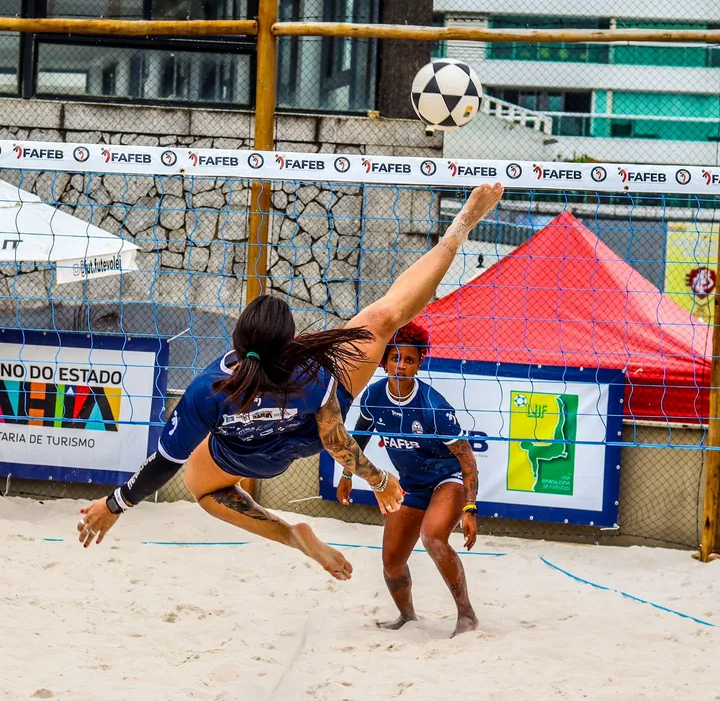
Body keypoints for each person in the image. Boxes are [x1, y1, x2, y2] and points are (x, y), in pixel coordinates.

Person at [77, 183, 504, 583]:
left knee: (198, 484)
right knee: (384, 318)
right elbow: (335, 439)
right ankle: (460, 226)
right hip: (304, 438)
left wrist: (113, 505)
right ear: (289, 342)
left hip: (242, 458)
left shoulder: (209, 388)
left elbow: (162, 464)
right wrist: (379, 480)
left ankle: (288, 533)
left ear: (239, 341)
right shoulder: (313, 372)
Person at [336, 321, 480, 636]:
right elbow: (359, 438)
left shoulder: (433, 406)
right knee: (391, 559)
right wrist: (348, 474)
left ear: (418, 364)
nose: (401, 365)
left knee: (432, 537)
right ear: (385, 360)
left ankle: (466, 615)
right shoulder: (374, 395)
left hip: (448, 479)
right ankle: (407, 616)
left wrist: (469, 508)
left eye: (410, 360)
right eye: (395, 358)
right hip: (413, 485)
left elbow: (467, 460)